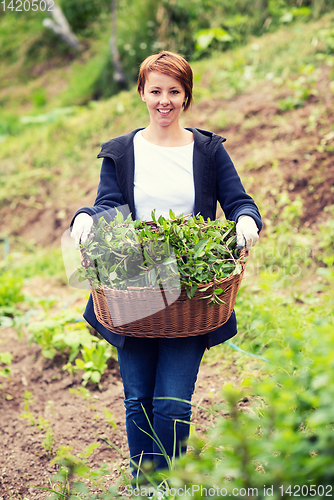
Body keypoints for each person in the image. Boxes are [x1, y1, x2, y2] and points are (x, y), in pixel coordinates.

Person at [70, 51, 262, 477]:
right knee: (137, 396)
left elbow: (238, 201)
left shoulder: (208, 151)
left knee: (172, 399)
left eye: (174, 91)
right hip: (133, 285)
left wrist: (247, 219)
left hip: (190, 289)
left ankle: (170, 480)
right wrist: (86, 216)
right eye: (155, 90)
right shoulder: (122, 151)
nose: (164, 100)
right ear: (141, 93)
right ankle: (145, 481)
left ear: (186, 96)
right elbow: (110, 206)